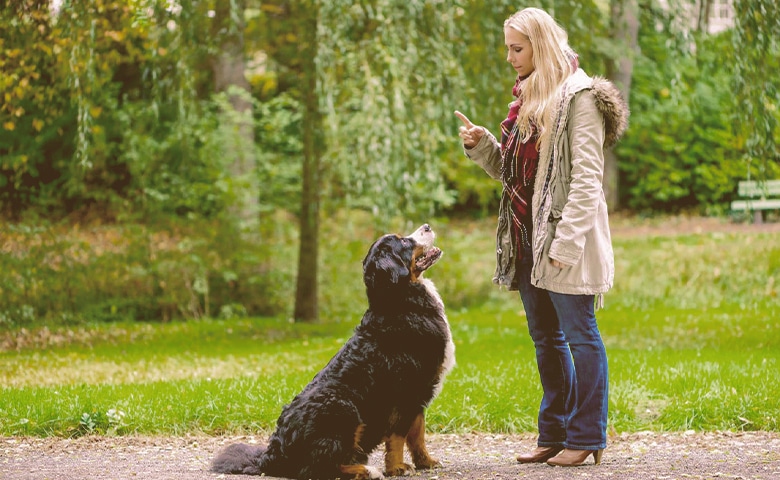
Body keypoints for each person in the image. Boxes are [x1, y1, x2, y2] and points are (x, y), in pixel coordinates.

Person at [455, 7, 628, 468]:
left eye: (517, 48)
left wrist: (565, 245)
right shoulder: (528, 98)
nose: (510, 57)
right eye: (508, 48)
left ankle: (588, 435)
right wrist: (483, 146)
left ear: (541, 44)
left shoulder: (581, 98)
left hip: (563, 242)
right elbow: (515, 176)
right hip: (526, 238)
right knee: (546, 339)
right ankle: (554, 433)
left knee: (580, 335)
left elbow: (588, 181)